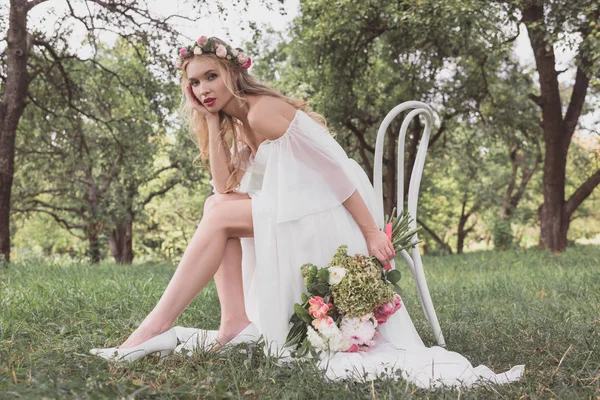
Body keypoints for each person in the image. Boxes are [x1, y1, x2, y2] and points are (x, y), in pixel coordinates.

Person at [90, 36, 524, 389]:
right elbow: (224, 187)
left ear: (232, 74)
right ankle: (233, 322)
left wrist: (371, 231)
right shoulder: (238, 122)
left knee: (219, 214)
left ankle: (153, 329)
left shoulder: (262, 113)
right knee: (215, 205)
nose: (203, 89)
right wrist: (209, 122)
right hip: (295, 212)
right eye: (194, 84)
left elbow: (336, 171)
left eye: (211, 77)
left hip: (327, 215)